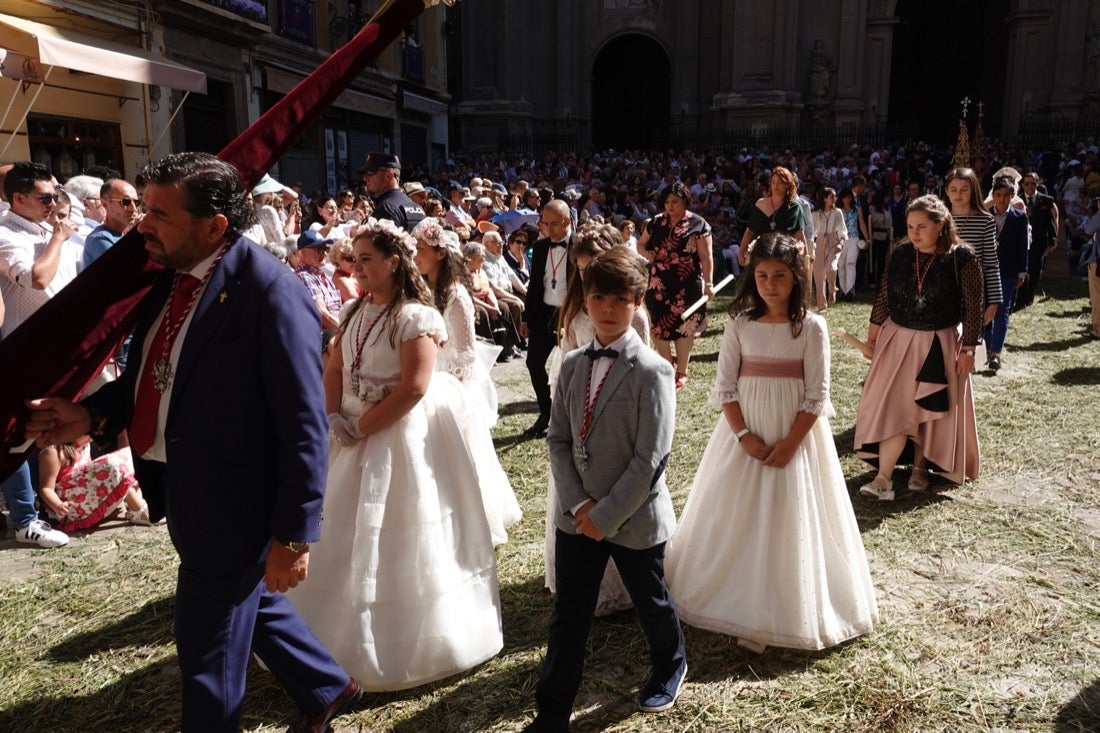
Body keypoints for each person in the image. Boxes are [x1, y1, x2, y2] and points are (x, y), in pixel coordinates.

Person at [24, 152, 360, 732]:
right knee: (250, 606)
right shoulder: (169, 276)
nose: (142, 224)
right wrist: (88, 414)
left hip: (237, 502)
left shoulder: (270, 293)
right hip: (186, 485)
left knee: (206, 644)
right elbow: (157, 373)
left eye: (159, 213)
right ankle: (328, 686)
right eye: (143, 209)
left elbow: (302, 423)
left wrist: (294, 532)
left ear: (213, 227)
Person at [290, 218, 503, 691]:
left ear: (392, 261)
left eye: (367, 258)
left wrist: (362, 426)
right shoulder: (351, 312)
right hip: (346, 430)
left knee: (400, 531)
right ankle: (328, 638)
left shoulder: (416, 316)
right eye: (354, 259)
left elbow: (413, 388)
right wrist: (331, 418)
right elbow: (335, 370)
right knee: (338, 531)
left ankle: (406, 642)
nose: (357, 267)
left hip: (396, 434)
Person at [664, 233, 878, 654]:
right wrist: (744, 436)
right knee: (738, 514)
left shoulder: (812, 328)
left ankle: (778, 607)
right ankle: (735, 596)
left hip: (794, 438)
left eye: (780, 275)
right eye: (761, 275)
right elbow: (725, 388)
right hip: (745, 436)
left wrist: (791, 444)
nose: (770, 284)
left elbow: (817, 394)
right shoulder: (739, 324)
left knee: (787, 516)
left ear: (797, 277)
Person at [524, 246, 686, 733]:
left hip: (633, 515)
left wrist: (606, 514)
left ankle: (669, 663)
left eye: (620, 298)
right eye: (598, 297)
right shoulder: (572, 364)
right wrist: (579, 505)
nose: (608, 309)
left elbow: (650, 458)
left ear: (637, 301)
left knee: (649, 598)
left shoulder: (653, 371)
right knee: (570, 615)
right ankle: (552, 713)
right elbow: (558, 439)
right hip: (577, 515)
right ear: (584, 300)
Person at [543, 223, 649, 617]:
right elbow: (569, 352)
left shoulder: (629, 317)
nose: (587, 276)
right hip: (577, 408)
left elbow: (642, 366)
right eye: (582, 270)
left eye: (593, 267)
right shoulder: (576, 310)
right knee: (577, 485)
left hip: (618, 416)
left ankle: (621, 581)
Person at [854, 195, 982, 501]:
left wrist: (968, 351)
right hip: (897, 340)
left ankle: (921, 467)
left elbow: (972, 308)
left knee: (928, 407)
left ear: (941, 225)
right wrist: (872, 338)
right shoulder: (900, 255)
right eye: (910, 226)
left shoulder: (961, 257)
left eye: (922, 226)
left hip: (938, 341)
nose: (914, 233)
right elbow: (883, 297)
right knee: (895, 407)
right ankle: (884, 477)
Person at [412, 219, 522, 545]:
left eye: (420, 249)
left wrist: (447, 388)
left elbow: (466, 354)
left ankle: (473, 519)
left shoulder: (456, 295)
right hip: (428, 378)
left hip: (450, 385)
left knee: (462, 457)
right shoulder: (421, 290)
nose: (415, 255)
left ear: (440, 253)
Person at [638, 180, 715, 389]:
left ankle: (682, 370)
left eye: (675, 201)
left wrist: (709, 282)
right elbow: (641, 244)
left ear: (685, 202)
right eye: (667, 202)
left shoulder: (698, 224)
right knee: (657, 324)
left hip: (687, 282)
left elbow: (706, 257)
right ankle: (667, 364)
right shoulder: (655, 223)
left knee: (684, 327)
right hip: (658, 282)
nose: (670, 206)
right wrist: (647, 253)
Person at [522, 199, 575, 437]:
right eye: (545, 223)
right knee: (534, 363)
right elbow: (535, 285)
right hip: (544, 312)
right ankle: (547, 412)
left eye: (554, 224)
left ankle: (572, 417)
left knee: (572, 367)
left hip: (571, 314)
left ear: (567, 222)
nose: (548, 228)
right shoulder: (542, 247)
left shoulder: (578, 246)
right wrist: (526, 318)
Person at [37, 436, 152, 531]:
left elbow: (89, 475)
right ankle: (139, 511)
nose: (91, 438)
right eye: (87, 433)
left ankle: (137, 505)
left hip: (84, 496)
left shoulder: (84, 445)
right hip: (69, 506)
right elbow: (46, 488)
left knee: (126, 457)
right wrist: (58, 506)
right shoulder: (53, 451)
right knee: (114, 466)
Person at [942, 167, 1002, 327]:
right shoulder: (938, 219)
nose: (958, 194)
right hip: (942, 290)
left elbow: (991, 263)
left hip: (973, 292)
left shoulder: (985, 221)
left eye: (964, 190)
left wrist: (994, 301)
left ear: (973, 190)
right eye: (953, 189)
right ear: (947, 191)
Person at [985, 175, 1030, 371]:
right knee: (986, 309)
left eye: (1006, 195)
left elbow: (1023, 246)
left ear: (1012, 196)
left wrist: (1022, 271)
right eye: (998, 195)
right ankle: (986, 348)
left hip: (1009, 270)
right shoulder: (985, 215)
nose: (1002, 199)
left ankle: (996, 352)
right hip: (986, 269)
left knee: (1002, 310)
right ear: (993, 196)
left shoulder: (1019, 217)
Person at [737, 166, 808, 269]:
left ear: (787, 185)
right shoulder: (760, 204)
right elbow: (749, 231)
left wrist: (804, 258)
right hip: (761, 256)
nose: (776, 186)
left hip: (784, 257)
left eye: (780, 183)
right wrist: (741, 251)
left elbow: (799, 235)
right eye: (773, 182)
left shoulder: (795, 208)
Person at [1015, 171, 1060, 310]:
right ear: (1022, 185)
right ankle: (1021, 298)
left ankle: (1029, 296)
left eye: (1033, 183)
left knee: (1035, 271)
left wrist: (1053, 240)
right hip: (1021, 242)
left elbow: (1051, 222)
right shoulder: (1016, 200)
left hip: (1039, 241)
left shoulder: (1046, 200)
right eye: (1027, 183)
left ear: (1037, 184)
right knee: (1022, 270)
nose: (1030, 186)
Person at [83, 177, 141, 269]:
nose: (133, 209)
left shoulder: (127, 233)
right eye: (125, 202)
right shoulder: (99, 239)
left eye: (137, 202)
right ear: (105, 204)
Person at [362, 153, 425, 233]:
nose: (365, 178)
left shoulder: (386, 208)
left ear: (388, 176)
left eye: (370, 173)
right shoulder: (417, 208)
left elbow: (380, 245)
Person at [810, 187, 846, 311]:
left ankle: (832, 289)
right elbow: (811, 231)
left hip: (833, 241)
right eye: (832, 197)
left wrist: (840, 243)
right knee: (819, 274)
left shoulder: (837, 212)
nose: (834, 199)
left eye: (835, 196)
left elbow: (843, 230)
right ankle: (821, 305)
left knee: (832, 267)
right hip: (819, 242)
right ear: (825, 199)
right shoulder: (815, 213)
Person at [835, 187, 868, 301]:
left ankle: (849, 290)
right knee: (841, 265)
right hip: (840, 238)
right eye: (845, 197)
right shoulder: (837, 210)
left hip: (854, 238)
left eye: (849, 197)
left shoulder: (857, 209)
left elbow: (862, 223)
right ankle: (843, 290)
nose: (847, 200)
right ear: (841, 198)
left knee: (850, 263)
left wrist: (867, 238)